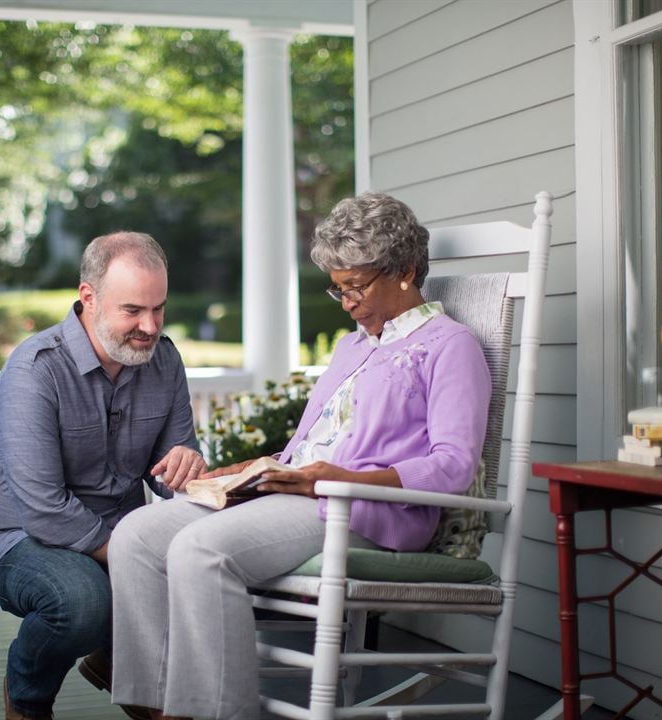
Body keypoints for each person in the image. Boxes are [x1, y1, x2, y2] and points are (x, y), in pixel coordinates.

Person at [108, 193, 492, 720]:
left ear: (404, 271)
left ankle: (216, 713)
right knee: (137, 533)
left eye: (355, 286)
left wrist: (339, 477)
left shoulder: (451, 346)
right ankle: (153, 704)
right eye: (338, 289)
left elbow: (454, 464)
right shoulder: (353, 346)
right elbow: (312, 445)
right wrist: (251, 468)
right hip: (299, 490)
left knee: (202, 549)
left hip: (367, 509)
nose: (347, 301)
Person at [0, 231, 207, 720]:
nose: (150, 326)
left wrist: (186, 464)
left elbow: (170, 474)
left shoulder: (163, 359)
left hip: (117, 535)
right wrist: (133, 553)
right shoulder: (34, 371)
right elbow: (43, 510)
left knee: (201, 572)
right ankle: (28, 696)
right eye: (133, 311)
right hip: (20, 538)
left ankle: (120, 665)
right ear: (88, 297)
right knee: (82, 601)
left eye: (158, 309)